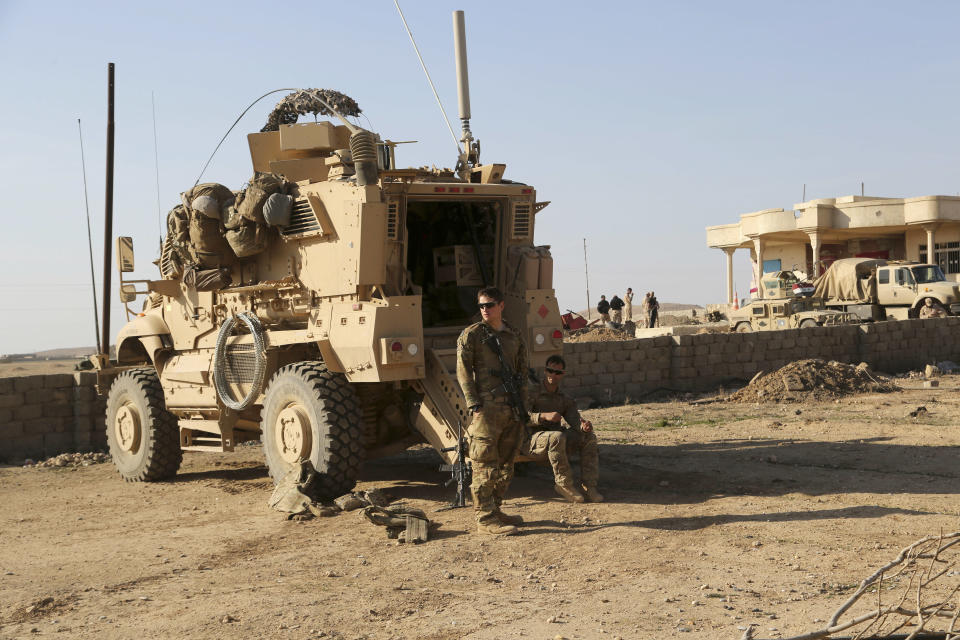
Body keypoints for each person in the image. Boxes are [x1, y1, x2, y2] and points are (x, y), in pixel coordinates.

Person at [456, 286, 529, 536]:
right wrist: (473, 403)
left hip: (512, 408)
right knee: (484, 463)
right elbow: (463, 370)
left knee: (506, 464)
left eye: (489, 305)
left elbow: (523, 373)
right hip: (486, 409)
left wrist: (523, 407)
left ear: (501, 305)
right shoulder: (473, 335)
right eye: (481, 306)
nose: (485, 309)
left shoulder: (514, 335)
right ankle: (485, 518)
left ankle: (495, 509)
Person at [521, 355, 602, 503]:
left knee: (589, 437)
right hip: (531, 440)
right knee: (557, 436)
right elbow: (522, 417)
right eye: (550, 371)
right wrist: (544, 416)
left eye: (558, 372)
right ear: (545, 371)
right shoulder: (532, 393)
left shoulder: (564, 398)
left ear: (562, 374)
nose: (553, 375)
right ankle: (564, 485)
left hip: (556, 441)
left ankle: (589, 486)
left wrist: (584, 427)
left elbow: (574, 420)